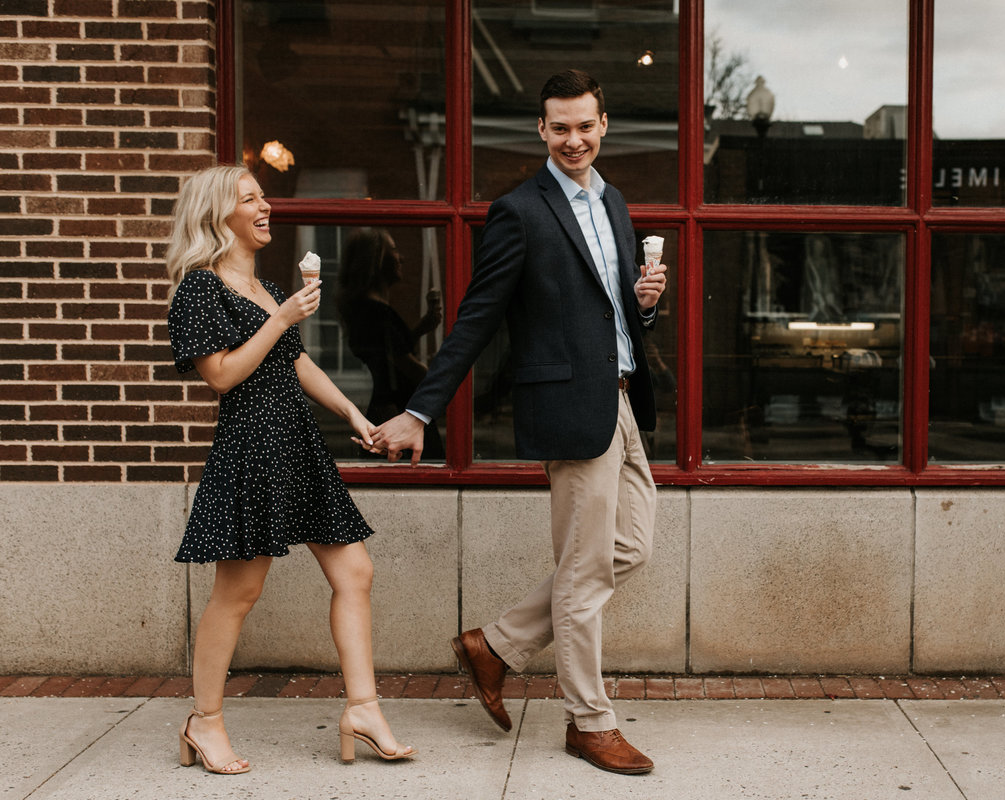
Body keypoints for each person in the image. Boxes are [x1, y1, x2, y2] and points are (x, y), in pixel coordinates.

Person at [369, 69, 668, 775]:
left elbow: (614, 311)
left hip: (621, 399)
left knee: (630, 548)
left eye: (585, 125)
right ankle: (588, 721)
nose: (573, 139)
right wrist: (420, 410)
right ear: (541, 131)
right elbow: (477, 318)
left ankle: (496, 645)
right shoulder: (519, 211)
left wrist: (647, 303)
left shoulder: (616, 203)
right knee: (587, 569)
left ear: (604, 125)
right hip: (569, 407)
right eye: (559, 127)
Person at [165, 165, 415, 774]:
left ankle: (363, 708)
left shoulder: (272, 289)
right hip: (249, 449)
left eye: (262, 195)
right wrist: (281, 320)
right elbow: (221, 375)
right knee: (238, 591)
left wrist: (355, 414)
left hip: (299, 445)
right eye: (248, 198)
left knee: (355, 571)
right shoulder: (200, 289)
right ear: (217, 215)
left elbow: (297, 366)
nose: (265, 205)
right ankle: (205, 721)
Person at [335, 227, 444, 459]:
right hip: (399, 414)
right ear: (376, 259)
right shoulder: (376, 314)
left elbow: (390, 354)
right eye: (393, 250)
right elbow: (407, 368)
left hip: (392, 410)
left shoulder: (366, 310)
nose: (401, 257)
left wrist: (420, 329)